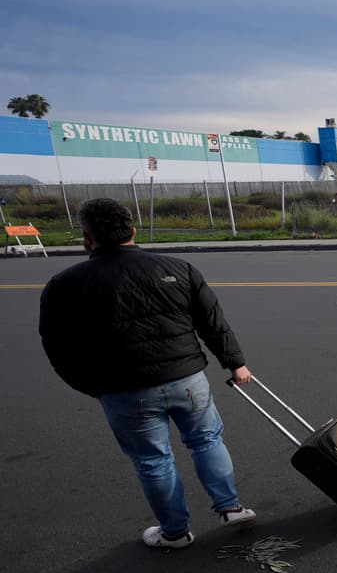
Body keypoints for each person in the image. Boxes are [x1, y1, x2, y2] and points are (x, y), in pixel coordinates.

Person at [39, 198, 256, 549]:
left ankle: (175, 532)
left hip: (124, 390)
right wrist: (235, 362)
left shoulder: (65, 284)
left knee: (153, 461)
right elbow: (212, 322)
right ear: (133, 231)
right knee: (207, 441)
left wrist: (94, 387)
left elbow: (57, 348)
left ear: (87, 238)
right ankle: (230, 507)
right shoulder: (178, 267)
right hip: (188, 379)